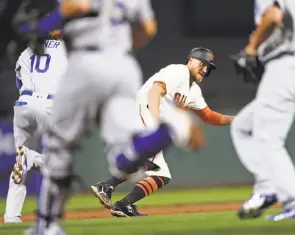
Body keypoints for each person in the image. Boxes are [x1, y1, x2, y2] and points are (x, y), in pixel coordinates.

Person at [26, 0, 205, 234]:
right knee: (122, 153)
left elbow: (76, 6)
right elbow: (148, 28)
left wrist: (42, 29)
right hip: (124, 65)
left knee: (59, 145)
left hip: (86, 61)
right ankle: (169, 129)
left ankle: (48, 226)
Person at [91, 47, 234, 217]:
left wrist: (237, 120)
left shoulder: (193, 90)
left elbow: (209, 116)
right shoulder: (179, 71)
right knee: (161, 174)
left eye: (208, 67)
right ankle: (122, 203)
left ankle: (107, 187)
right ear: (190, 60)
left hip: (148, 119)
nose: (205, 69)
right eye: (202, 63)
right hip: (144, 114)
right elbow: (155, 90)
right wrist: (155, 124)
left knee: (142, 162)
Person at [230, 0, 295, 221]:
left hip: (285, 68)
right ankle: (266, 186)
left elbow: (273, 16)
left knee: (268, 141)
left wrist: (252, 48)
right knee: (243, 126)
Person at [4, 29, 67, 224]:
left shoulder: (26, 52)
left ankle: (11, 216)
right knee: (58, 163)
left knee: (19, 163)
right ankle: (31, 158)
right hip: (48, 105)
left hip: (23, 104)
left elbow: (18, 82)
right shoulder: (66, 49)